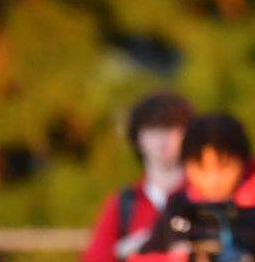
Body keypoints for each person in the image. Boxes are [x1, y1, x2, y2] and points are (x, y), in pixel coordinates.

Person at [136, 113, 255, 261]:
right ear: (185, 166)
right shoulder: (177, 211)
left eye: (224, 166)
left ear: (243, 163)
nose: (212, 179)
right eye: (200, 167)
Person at [83, 92, 194, 261]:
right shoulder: (123, 205)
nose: (162, 138)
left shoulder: (203, 197)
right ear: (137, 138)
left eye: (172, 128)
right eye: (152, 128)